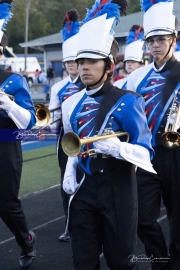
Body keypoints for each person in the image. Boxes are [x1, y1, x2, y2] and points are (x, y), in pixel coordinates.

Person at [61, 0, 156, 269]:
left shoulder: (129, 101)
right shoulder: (70, 104)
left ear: (109, 65)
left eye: (92, 62)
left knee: (121, 262)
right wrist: (70, 172)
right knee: (83, 260)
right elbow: (72, 144)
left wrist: (118, 149)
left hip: (119, 189)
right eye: (81, 62)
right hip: (84, 188)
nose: (85, 68)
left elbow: (147, 154)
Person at [126, 0, 180, 269]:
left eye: (161, 39)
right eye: (151, 40)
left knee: (178, 220)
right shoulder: (137, 77)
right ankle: (161, 262)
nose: (156, 45)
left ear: (173, 39)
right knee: (143, 219)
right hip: (147, 155)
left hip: (178, 153)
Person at [0, 1, 36, 268]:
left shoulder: (12, 80)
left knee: (6, 204)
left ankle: (26, 241)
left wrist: (8, 103)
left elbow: (29, 123)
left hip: (6, 147)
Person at [48, 9, 85, 242]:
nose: (71, 65)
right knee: (66, 183)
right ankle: (69, 226)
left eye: (75, 61)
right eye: (68, 62)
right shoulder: (57, 88)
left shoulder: (90, 83)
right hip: (65, 143)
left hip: (89, 140)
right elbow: (53, 120)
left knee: (88, 182)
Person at [114, 24, 144, 89]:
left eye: (133, 62)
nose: (129, 64)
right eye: (127, 62)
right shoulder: (117, 84)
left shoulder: (145, 83)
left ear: (140, 65)